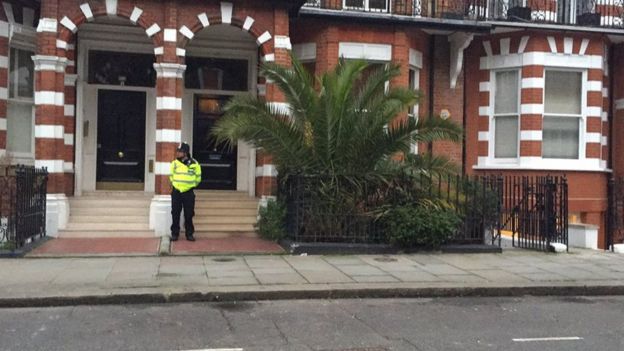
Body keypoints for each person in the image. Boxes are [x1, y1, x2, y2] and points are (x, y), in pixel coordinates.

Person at [169, 142, 201, 241]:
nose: (178, 153)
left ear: (186, 153)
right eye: (177, 151)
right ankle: (175, 233)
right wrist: (176, 185)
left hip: (188, 192)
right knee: (175, 213)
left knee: (189, 214)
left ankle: (189, 233)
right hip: (176, 192)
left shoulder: (194, 164)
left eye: (180, 151)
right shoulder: (174, 163)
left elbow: (198, 178)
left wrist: (190, 186)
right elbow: (171, 176)